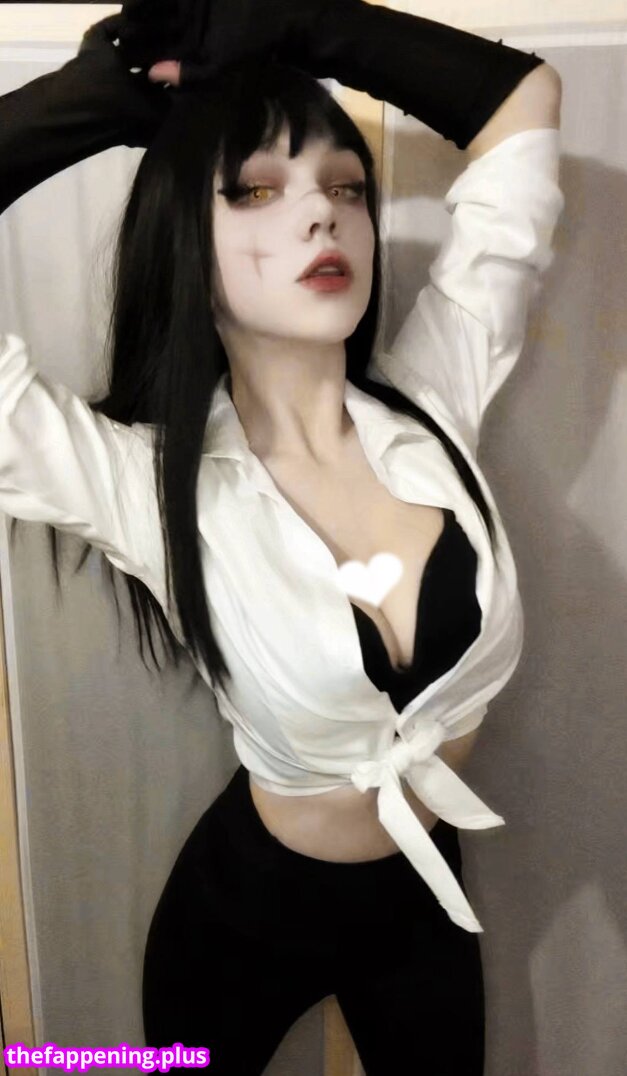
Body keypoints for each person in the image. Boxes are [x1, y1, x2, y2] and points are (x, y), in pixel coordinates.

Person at [0, 1, 565, 1072]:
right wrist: (92, 103)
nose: (322, 216)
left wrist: (303, 22)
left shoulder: (436, 397)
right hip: (240, 922)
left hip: (425, 904)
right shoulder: (141, 485)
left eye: (345, 187)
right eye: (255, 189)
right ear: (185, 240)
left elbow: (523, 104)